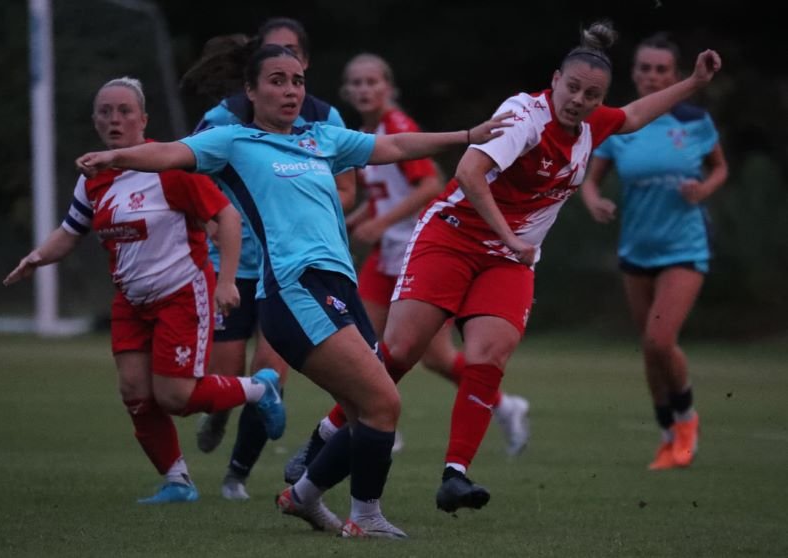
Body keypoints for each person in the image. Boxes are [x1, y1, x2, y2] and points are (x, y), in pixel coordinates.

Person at [75, 46, 512, 538]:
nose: (290, 91)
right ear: (251, 90)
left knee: (362, 411)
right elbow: (171, 152)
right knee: (382, 404)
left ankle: (302, 497)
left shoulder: (319, 138)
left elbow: (394, 147)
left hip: (338, 287)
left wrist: (469, 136)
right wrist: (117, 156)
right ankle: (365, 516)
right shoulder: (233, 142)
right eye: (277, 81)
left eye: (297, 81)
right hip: (294, 289)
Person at [370, 21, 720, 514]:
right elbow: (469, 174)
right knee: (402, 350)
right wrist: (511, 236)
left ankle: (456, 475)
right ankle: (324, 440)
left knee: (488, 354)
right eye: (572, 87)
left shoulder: (595, 125)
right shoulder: (524, 115)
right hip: (458, 236)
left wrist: (696, 83)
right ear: (555, 80)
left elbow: (636, 113)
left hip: (509, 258)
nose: (579, 99)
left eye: (591, 94)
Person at [3, 77, 286, 504]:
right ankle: (178, 482)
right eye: (105, 111)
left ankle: (260, 389)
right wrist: (37, 257)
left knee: (174, 397)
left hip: (181, 293)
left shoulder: (168, 167)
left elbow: (226, 218)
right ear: (95, 121)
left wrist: (226, 280)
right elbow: (70, 231)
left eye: (124, 111)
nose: (114, 119)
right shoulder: (92, 180)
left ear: (143, 119)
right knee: (135, 392)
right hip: (131, 301)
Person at [283, 53, 530, 483]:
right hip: (386, 256)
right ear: (346, 91)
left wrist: (380, 221)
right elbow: (383, 197)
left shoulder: (397, 126)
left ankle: (382, 421)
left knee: (414, 355)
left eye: (371, 81)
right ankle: (375, 421)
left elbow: (431, 183)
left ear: (388, 87)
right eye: (355, 83)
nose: (363, 89)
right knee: (369, 347)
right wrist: (360, 220)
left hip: (421, 253)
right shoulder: (368, 132)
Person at [179, 17, 359, 501]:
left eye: (293, 55)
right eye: (274, 55)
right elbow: (194, 176)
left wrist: (295, 203)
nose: (285, 65)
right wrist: (213, 221)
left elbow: (345, 188)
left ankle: (237, 474)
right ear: (255, 73)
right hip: (231, 262)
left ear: (306, 62)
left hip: (292, 268)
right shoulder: (224, 119)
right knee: (229, 367)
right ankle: (218, 410)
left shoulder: (325, 120)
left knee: (271, 375)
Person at [580, 33, 728, 471]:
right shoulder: (621, 123)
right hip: (636, 249)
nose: (652, 76)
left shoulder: (695, 121)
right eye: (645, 68)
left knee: (659, 339)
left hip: (684, 246)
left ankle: (686, 420)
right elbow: (590, 179)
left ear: (675, 74)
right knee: (649, 351)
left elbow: (719, 167)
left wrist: (704, 188)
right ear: (634, 73)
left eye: (661, 69)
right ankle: (667, 436)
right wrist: (594, 201)